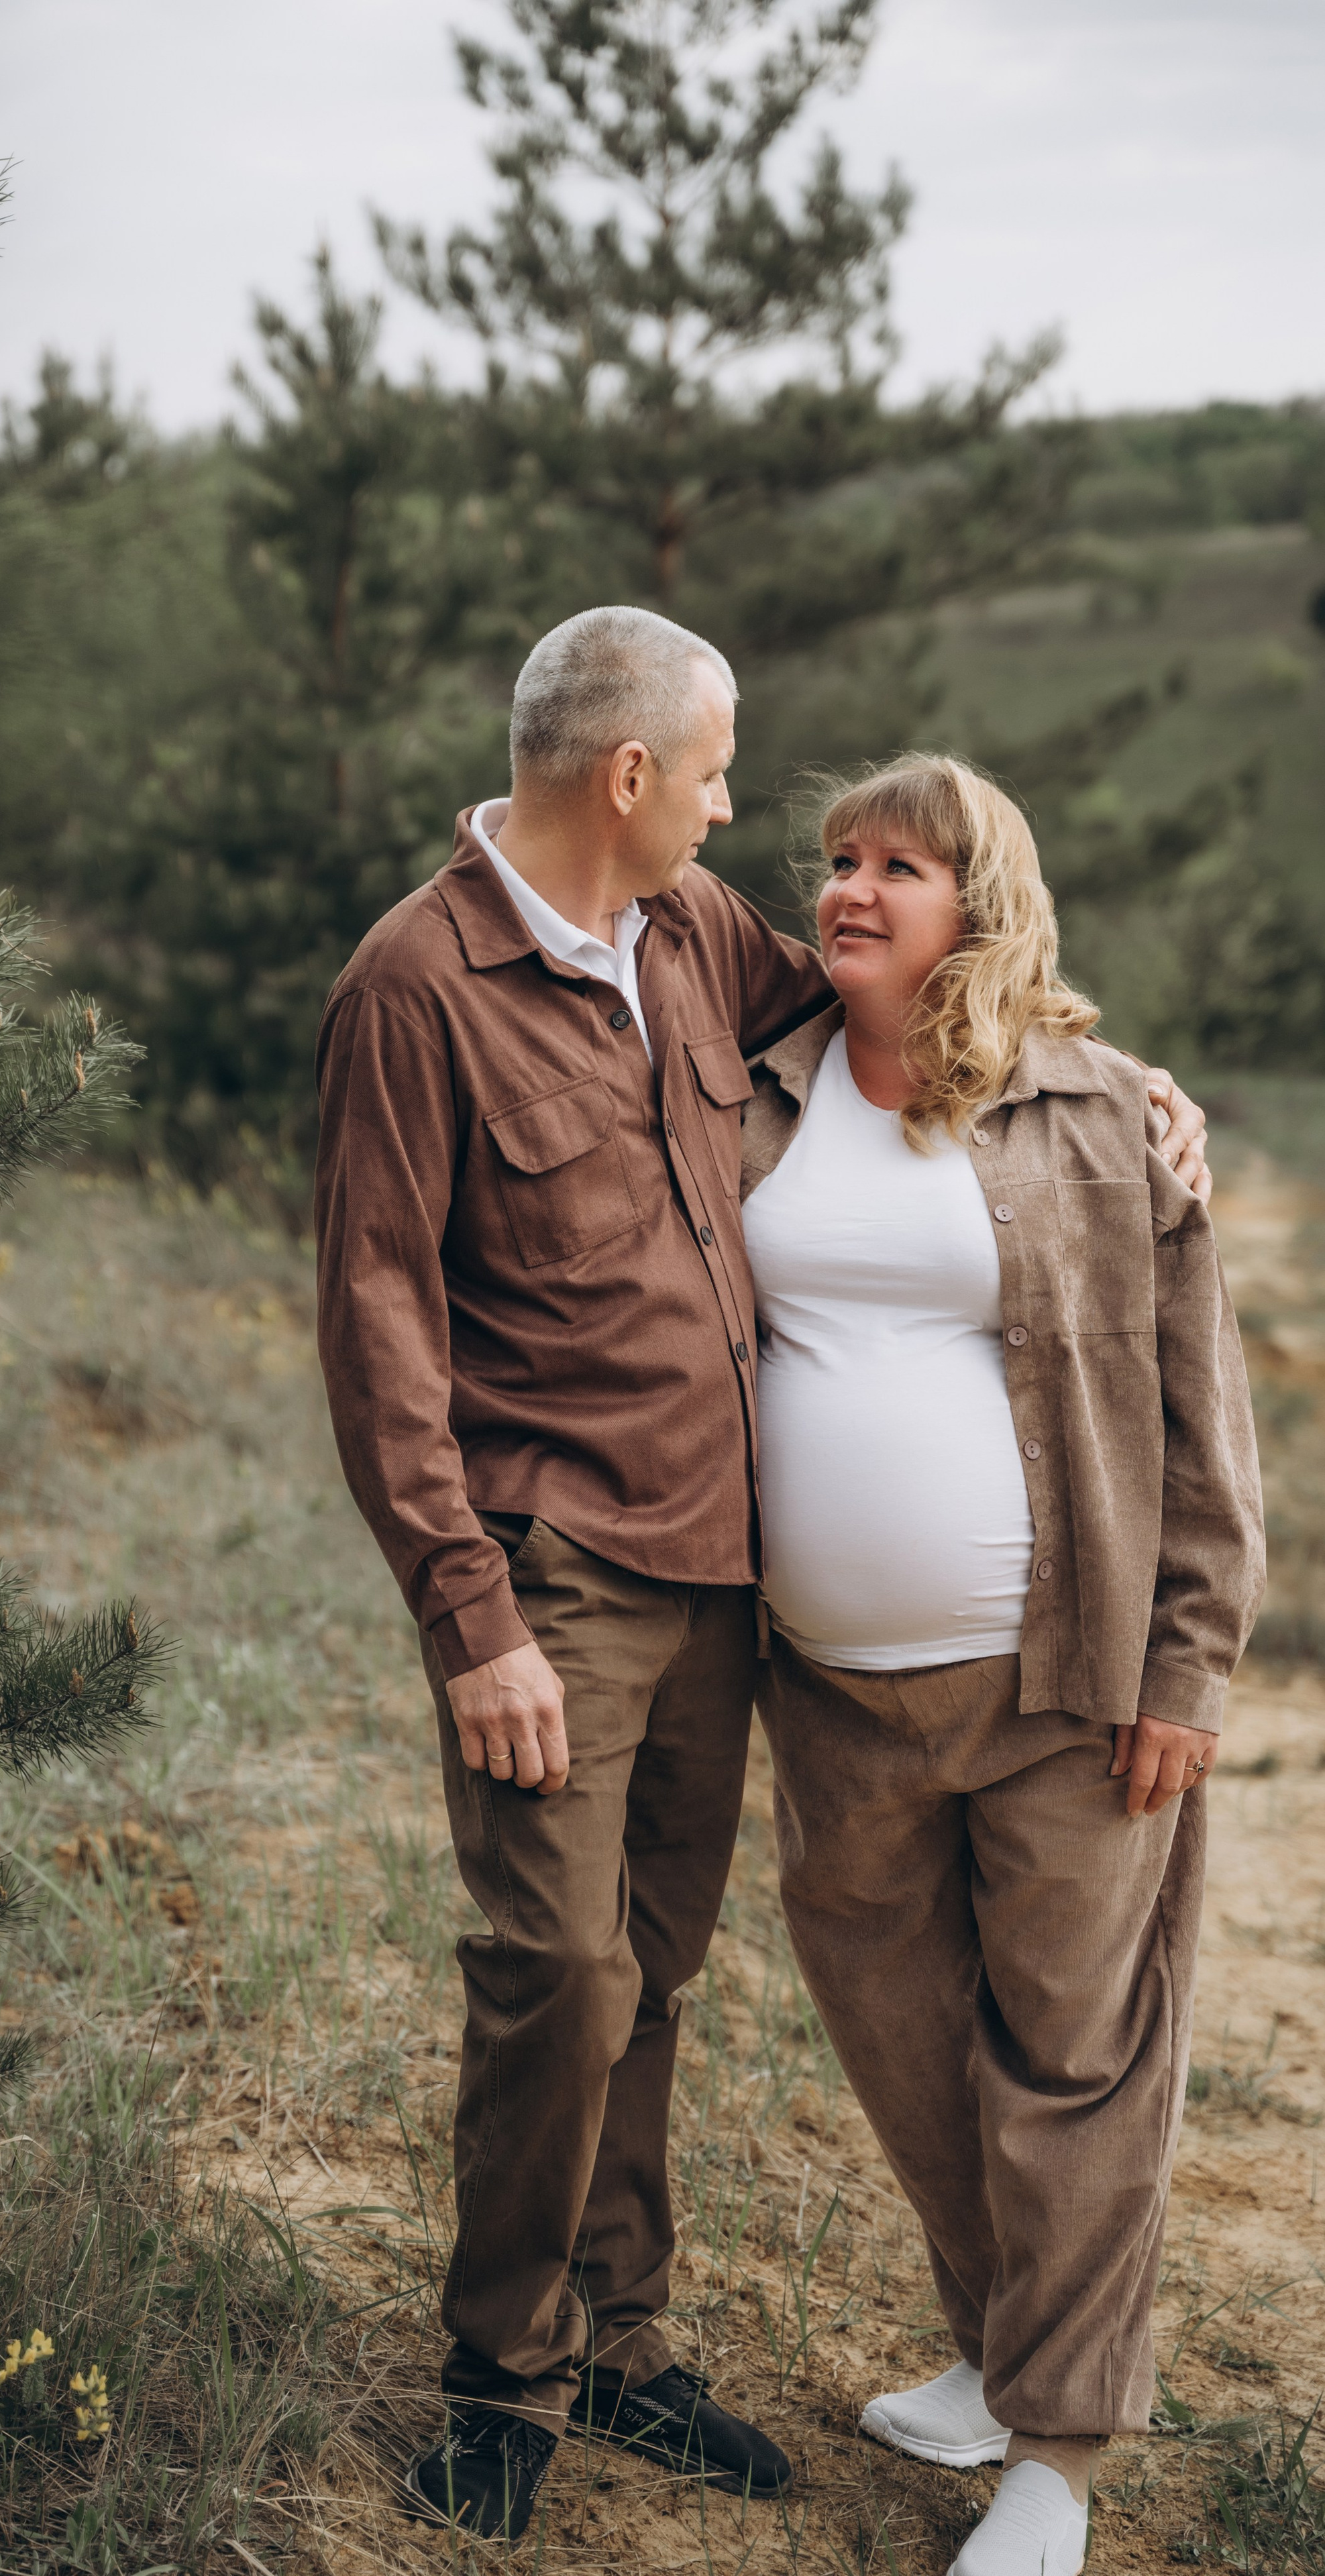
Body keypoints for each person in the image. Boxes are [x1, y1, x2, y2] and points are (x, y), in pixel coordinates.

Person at [311, 607, 1210, 2545]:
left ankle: (624, 2345)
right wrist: (470, 1617)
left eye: (852, 847)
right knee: (555, 1966)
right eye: (723, 777)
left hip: (735, 1589)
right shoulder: (419, 980)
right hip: (560, 1573)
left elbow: (937, 985)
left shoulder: (696, 941)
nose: (754, 824)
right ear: (630, 776)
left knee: (656, 1977)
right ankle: (503, 2368)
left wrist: (1116, 1078)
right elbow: (376, 1313)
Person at [739, 753, 1263, 2576]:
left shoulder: (1110, 1116)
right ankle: (998, 2345)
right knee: (905, 2039)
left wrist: (1186, 1670)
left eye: (900, 865)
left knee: (1075, 2062)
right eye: (835, 859)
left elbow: (1208, 1422)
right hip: (831, 1694)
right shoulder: (755, 1089)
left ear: (984, 903)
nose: (853, 889)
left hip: (1067, 1686)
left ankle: (1057, 2455)